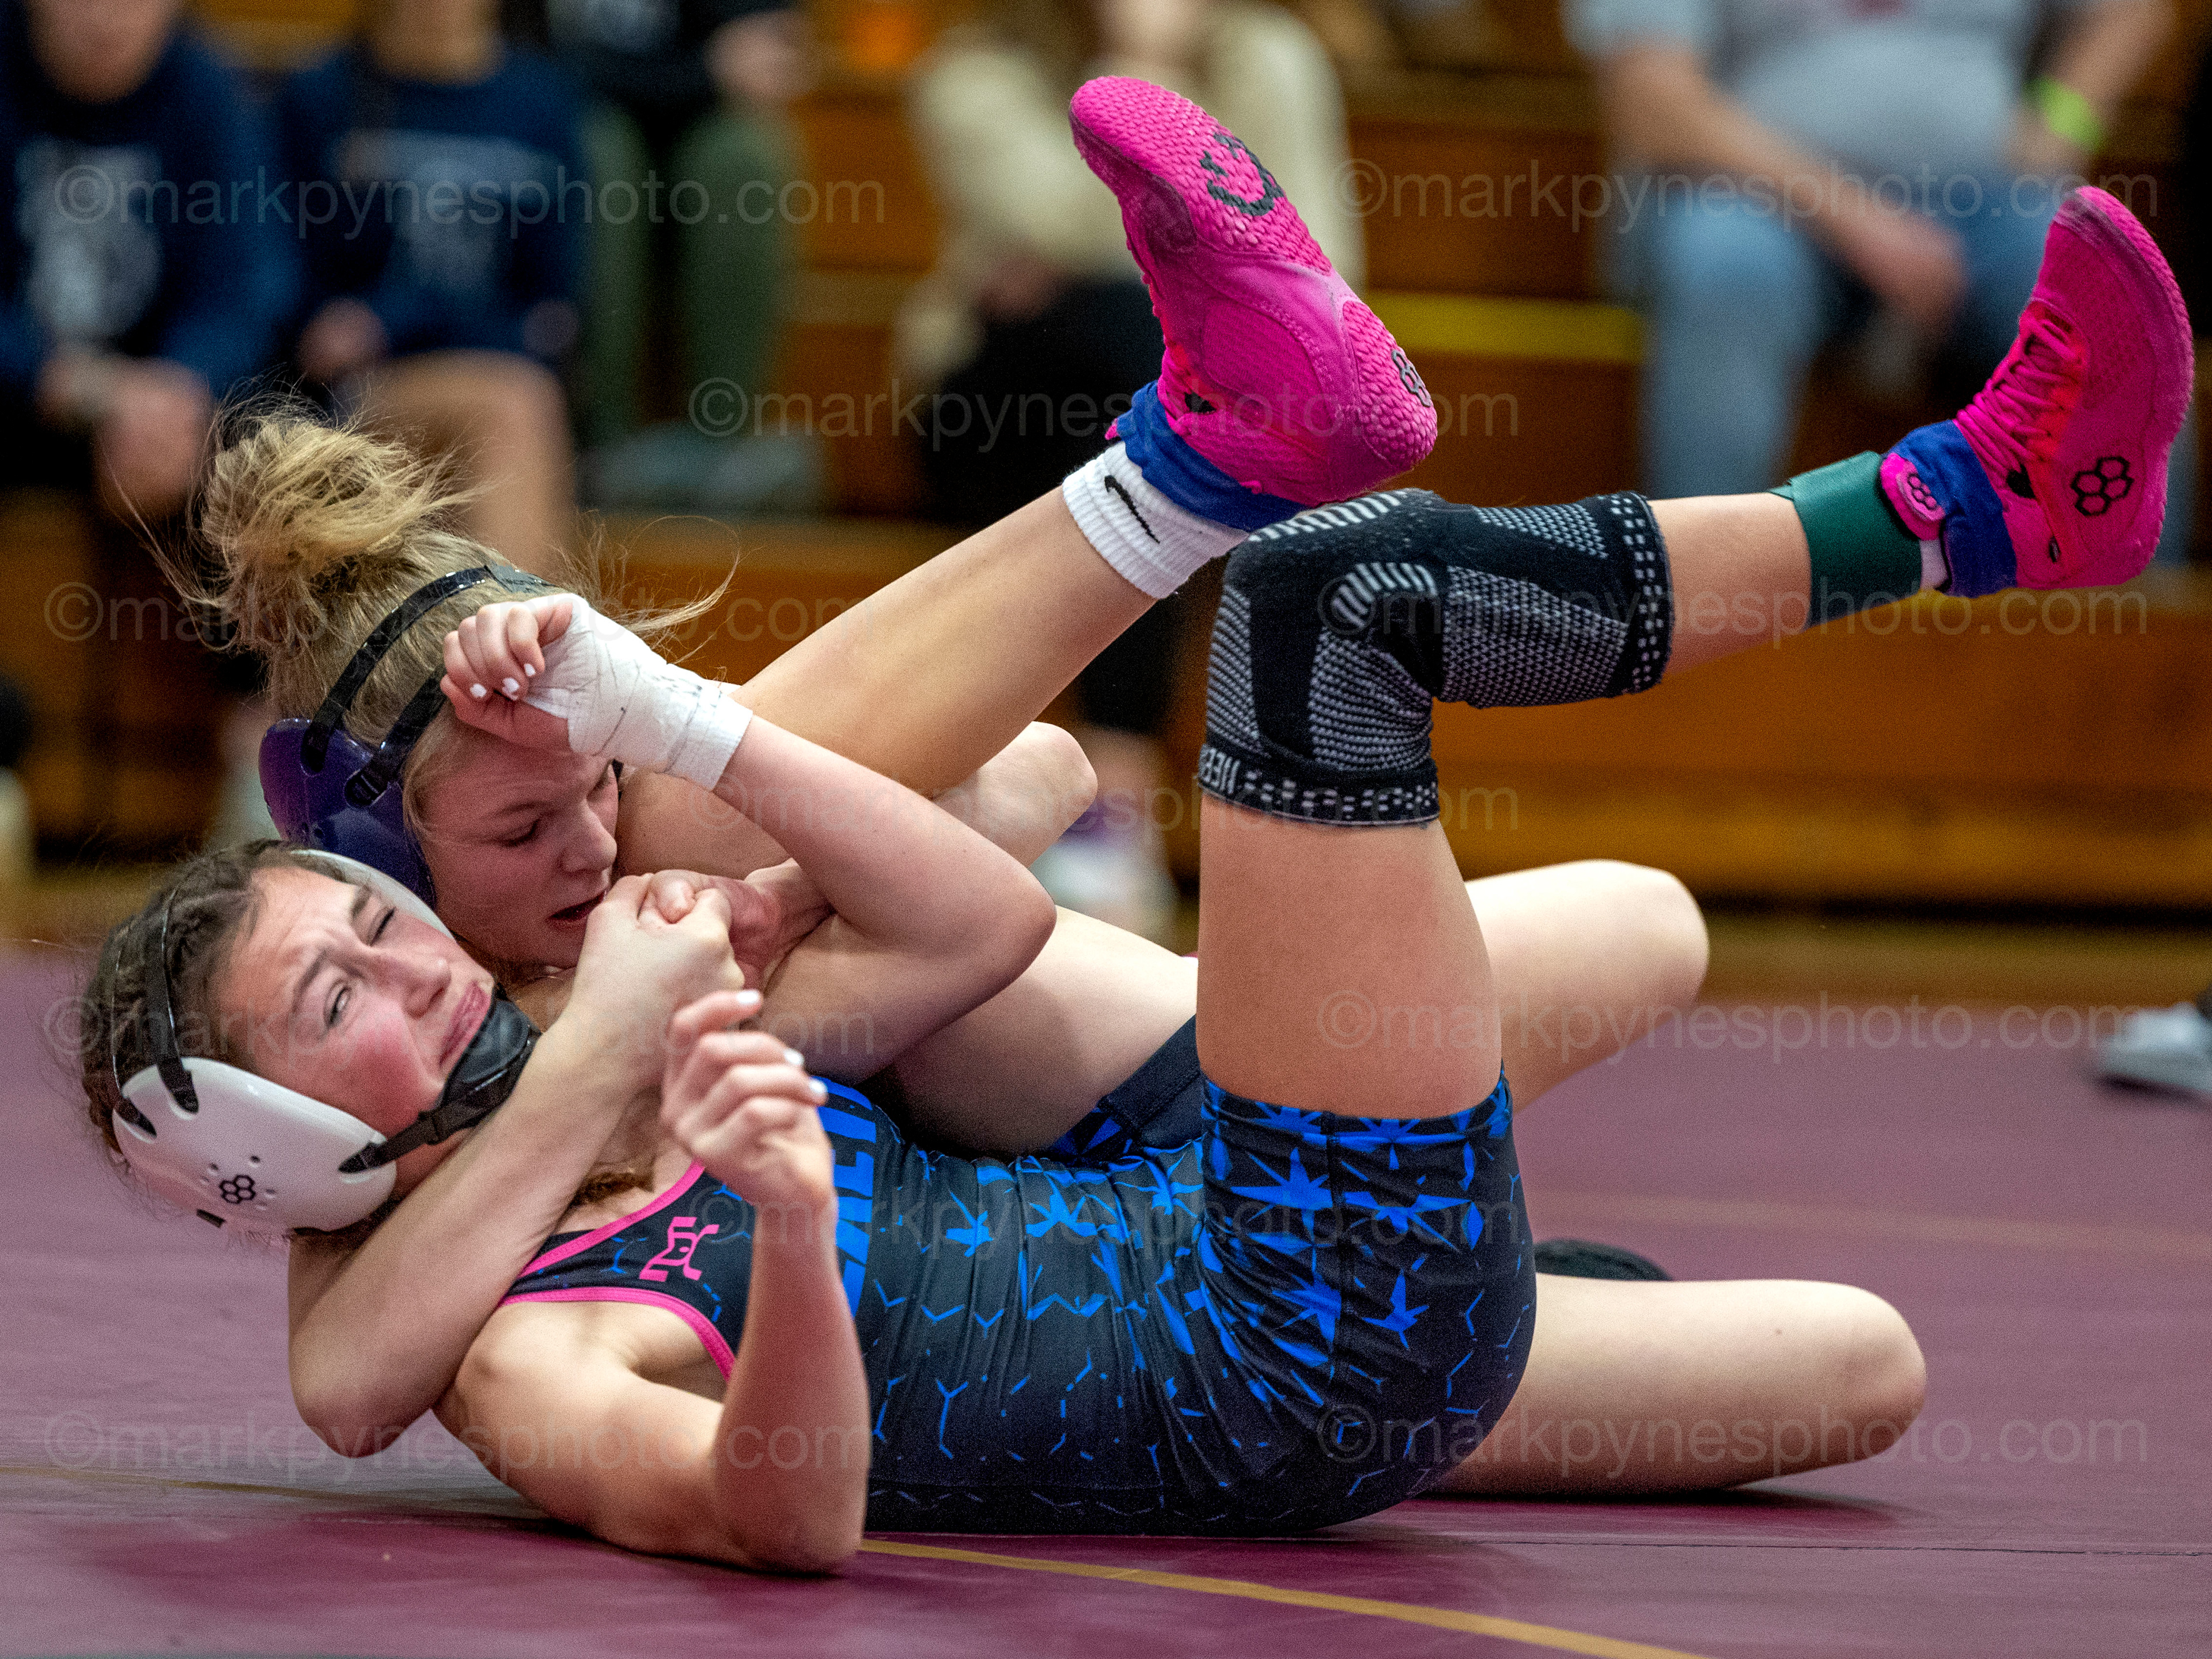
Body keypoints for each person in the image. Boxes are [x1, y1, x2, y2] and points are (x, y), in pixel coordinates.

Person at [145, 75, 2186, 1517]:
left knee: (1763, 1157)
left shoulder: (672, 988)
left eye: (384, 938)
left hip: (1200, 1191)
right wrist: (659, 937)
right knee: (1331, 607)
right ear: (276, 1137)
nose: (576, 855)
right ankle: (1968, 511)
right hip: (1275, 1313)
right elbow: (407, 1398)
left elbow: (1006, 833)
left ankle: (1210, 470)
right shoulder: (521, 1276)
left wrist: (663, 821)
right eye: (363, 981)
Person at [899, 0, 1361, 940]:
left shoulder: (1273, 55)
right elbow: (1070, 222)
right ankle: (1120, 800)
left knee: (1145, 360)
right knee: (1129, 336)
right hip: (997, 409)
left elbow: (1324, 265)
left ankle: (1111, 804)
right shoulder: (978, 70)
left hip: (1197, 390)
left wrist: (1124, 256)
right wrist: (1151, 82)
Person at [1567, 0, 2172, 502]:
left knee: (2103, 286)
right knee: (1726, 270)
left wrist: (2058, 130)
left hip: (1987, 200)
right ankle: (1695, 608)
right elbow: (1651, 101)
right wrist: (1859, 221)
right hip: (1754, 194)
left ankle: (2143, 630)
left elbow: (2134, 11)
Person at [278, 0, 586, 572]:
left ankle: (503, 642)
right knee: (514, 410)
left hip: (493, 372)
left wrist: (394, 319)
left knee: (515, 406)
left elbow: (554, 313)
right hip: (357, 398)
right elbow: (291, 302)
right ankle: (523, 649)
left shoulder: (543, 106)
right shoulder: (321, 96)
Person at [509, 0, 817, 512]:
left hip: (699, 131)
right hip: (581, 127)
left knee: (745, 158)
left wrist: (670, 77)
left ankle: (723, 445)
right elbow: (526, 63)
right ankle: (598, 447)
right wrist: (700, 70)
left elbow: (766, 56)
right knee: (603, 154)